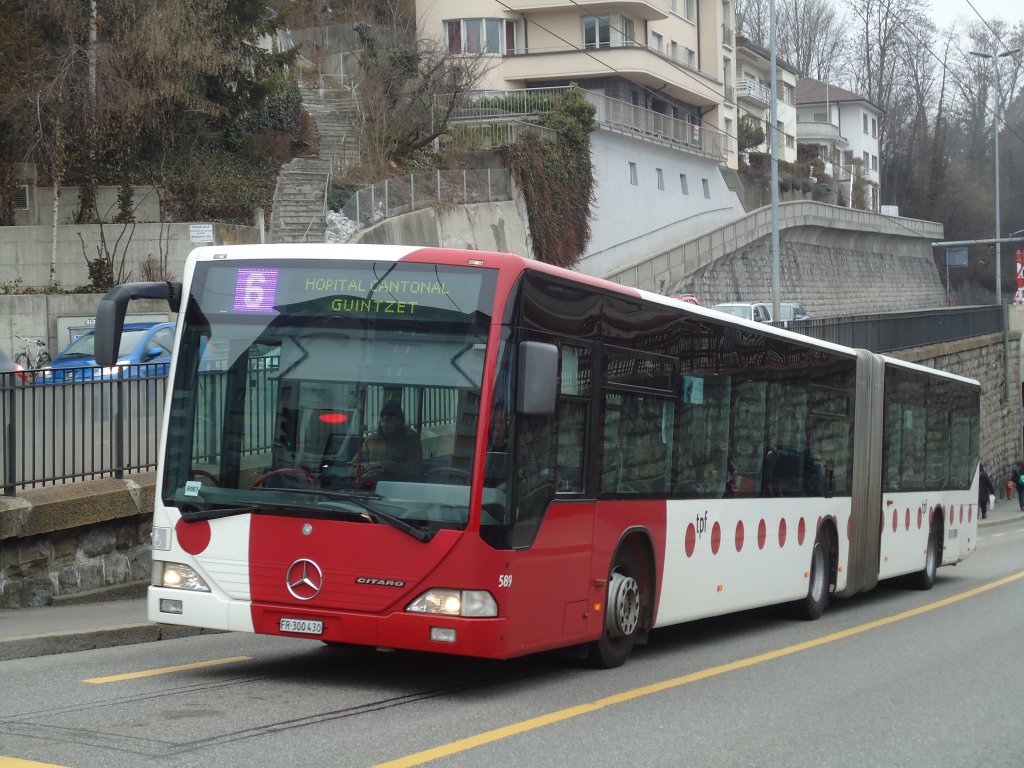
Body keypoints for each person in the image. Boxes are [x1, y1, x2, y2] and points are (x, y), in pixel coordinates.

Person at [361, 402, 422, 480]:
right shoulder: (371, 440)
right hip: (370, 484)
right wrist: (367, 469)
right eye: (383, 420)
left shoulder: (410, 439)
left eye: (389, 421)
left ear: (399, 421)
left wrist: (384, 465)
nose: (384, 424)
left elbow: (413, 468)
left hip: (399, 485)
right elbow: (354, 464)